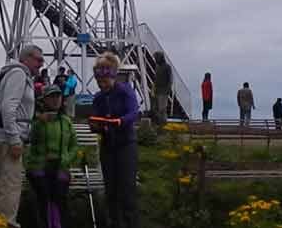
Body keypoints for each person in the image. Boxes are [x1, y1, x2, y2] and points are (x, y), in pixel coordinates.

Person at [0, 45, 43, 226]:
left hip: (7, 137)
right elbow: (8, 107)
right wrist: (14, 139)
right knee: (10, 186)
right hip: (8, 139)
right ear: (26, 59)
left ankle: (4, 222)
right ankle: (6, 223)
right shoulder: (18, 74)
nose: (42, 63)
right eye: (38, 59)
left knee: (10, 184)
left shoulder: (20, 75)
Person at [90, 52, 140, 228]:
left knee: (126, 189)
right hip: (108, 145)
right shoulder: (98, 97)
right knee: (111, 190)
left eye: (104, 81)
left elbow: (134, 112)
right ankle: (114, 223)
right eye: (98, 81)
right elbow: (95, 117)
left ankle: (129, 223)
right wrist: (96, 125)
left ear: (112, 76)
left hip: (125, 145)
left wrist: (120, 121)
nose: (101, 84)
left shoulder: (125, 91)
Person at [27, 85, 78, 228]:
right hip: (39, 165)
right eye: (51, 97)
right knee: (43, 192)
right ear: (44, 100)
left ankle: (58, 224)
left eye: (58, 96)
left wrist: (67, 159)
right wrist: (38, 121)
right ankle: (45, 223)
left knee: (59, 192)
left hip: (60, 165)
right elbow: (29, 139)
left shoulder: (66, 122)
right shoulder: (37, 121)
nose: (55, 100)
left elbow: (74, 146)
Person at [151, 52, 174, 124]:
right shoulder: (157, 67)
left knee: (162, 108)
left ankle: (163, 123)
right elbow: (155, 79)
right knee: (156, 108)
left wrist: (168, 89)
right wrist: (153, 89)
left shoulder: (167, 67)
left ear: (160, 58)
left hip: (164, 91)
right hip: (157, 90)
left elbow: (170, 79)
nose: (155, 59)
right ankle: (158, 123)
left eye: (156, 58)